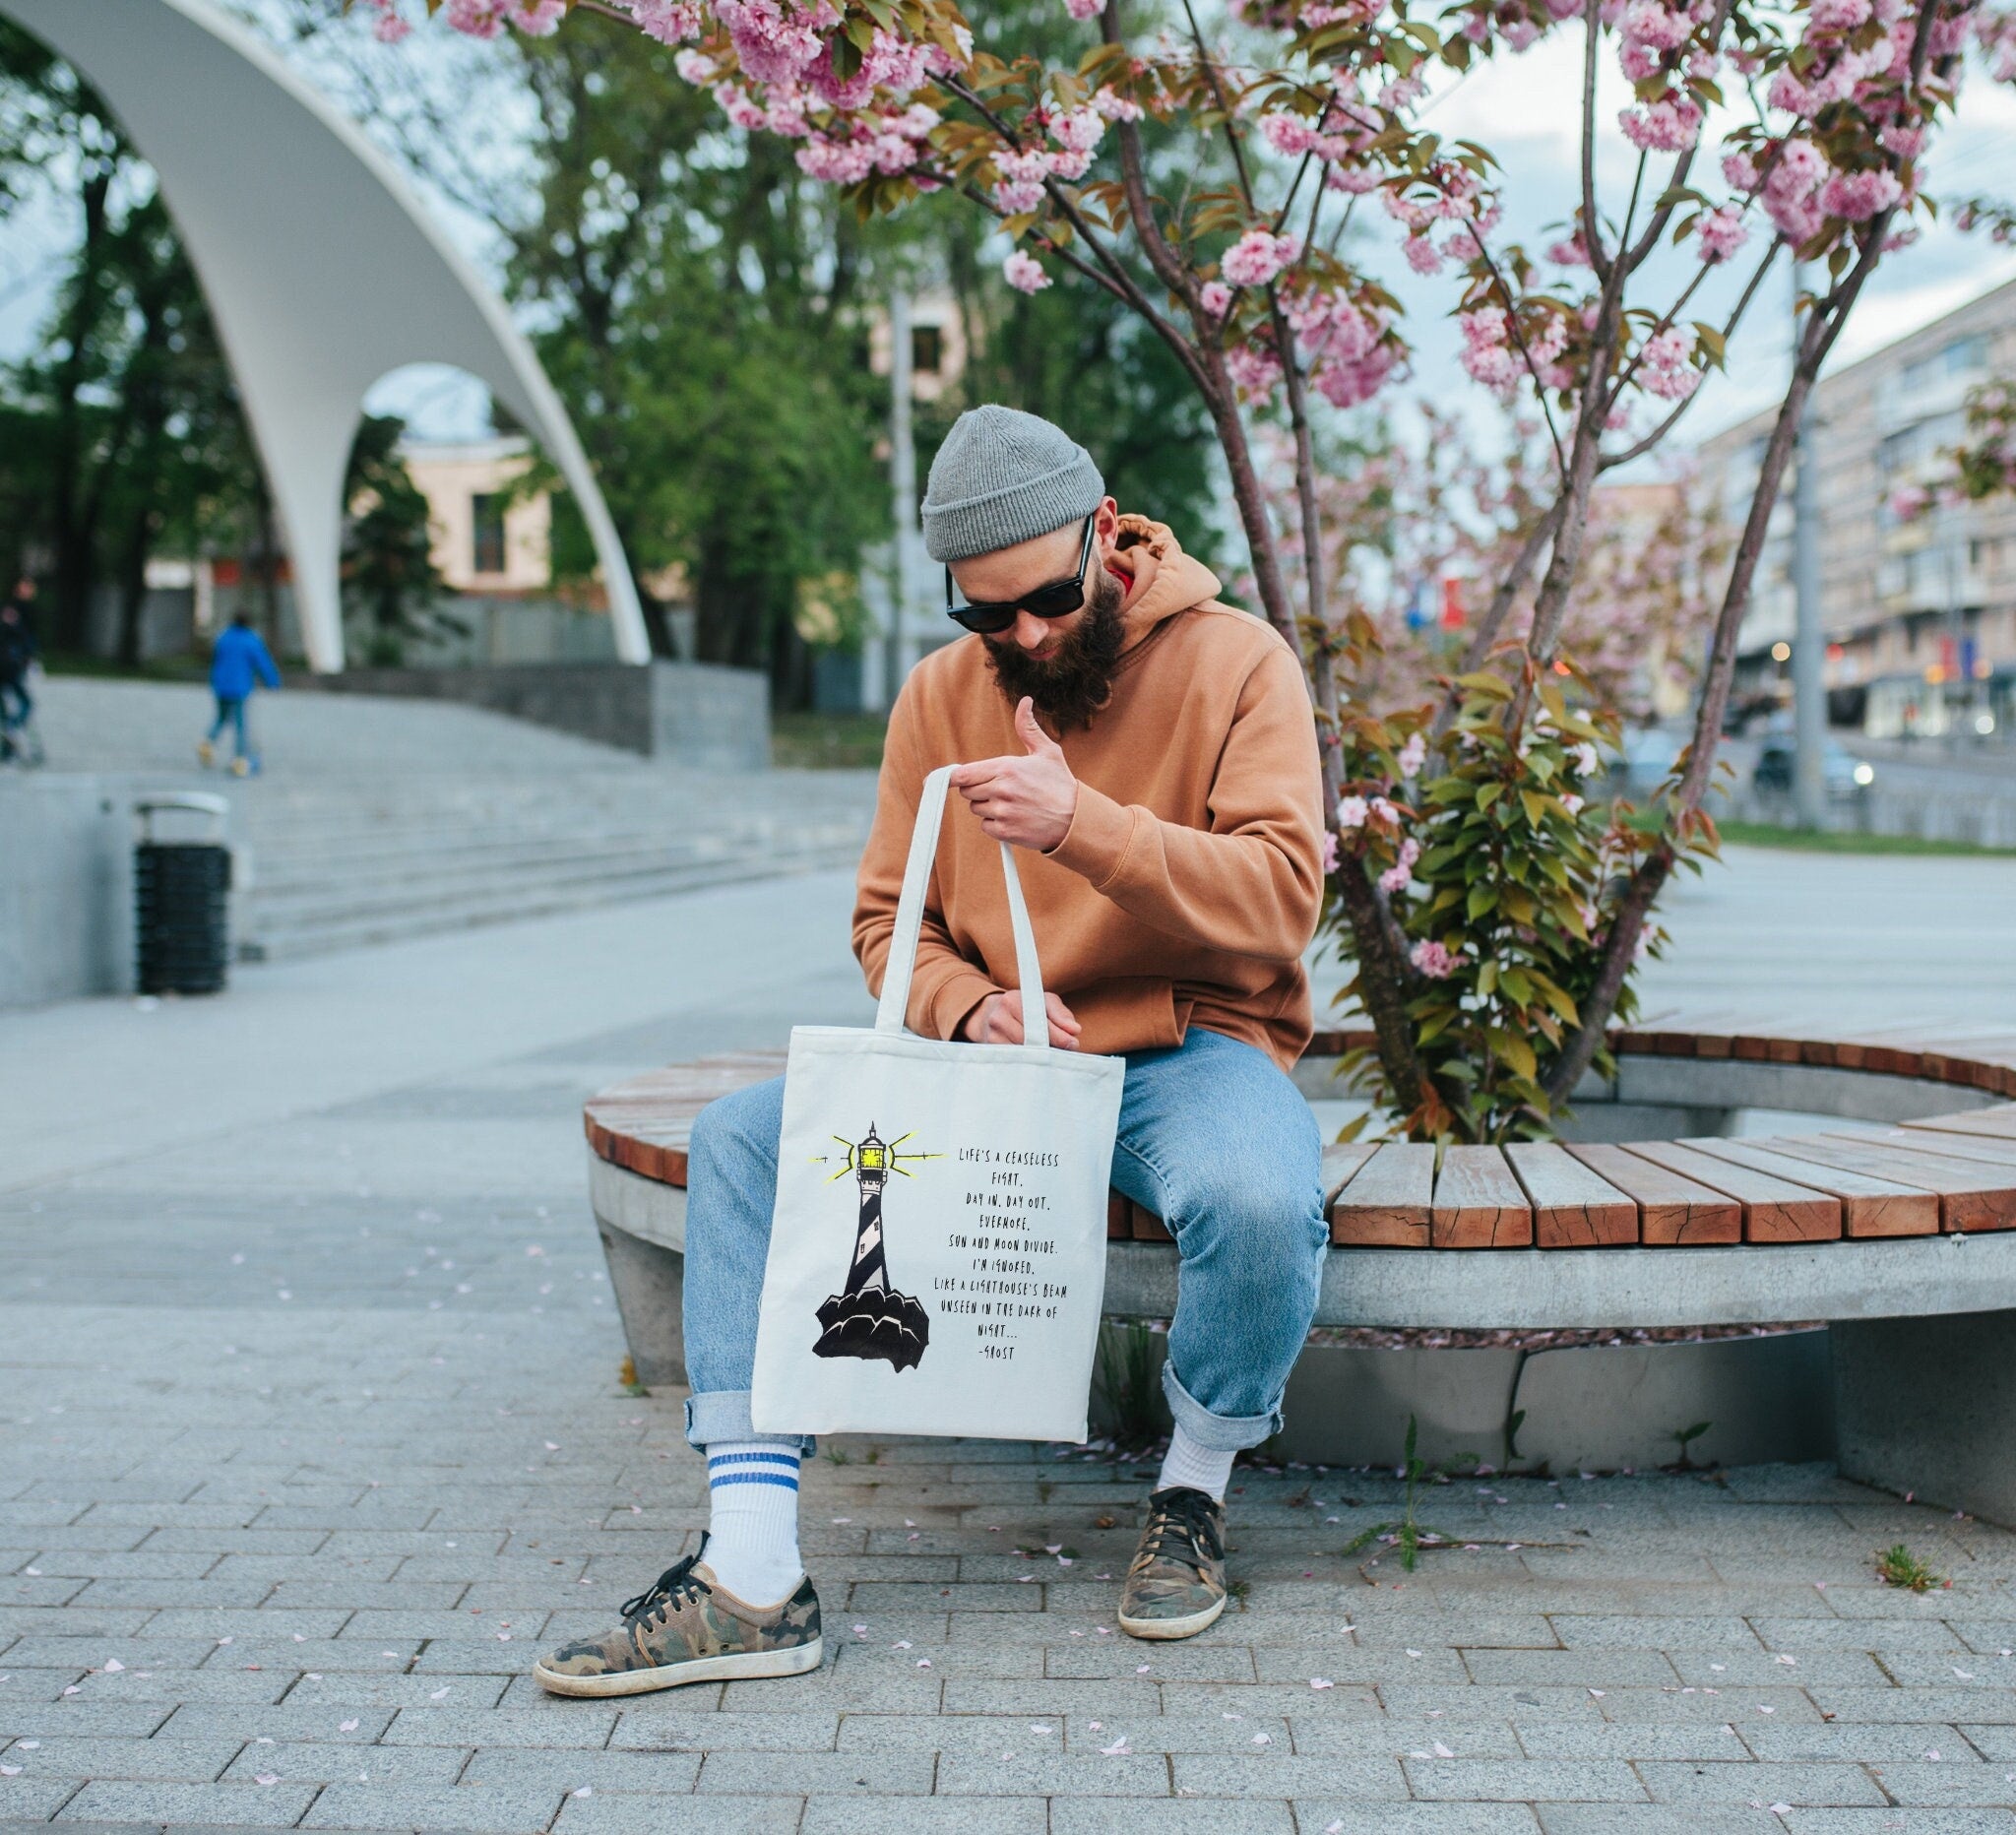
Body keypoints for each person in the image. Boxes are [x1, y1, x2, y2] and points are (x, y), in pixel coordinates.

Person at [535, 406, 1326, 1699]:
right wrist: (973, 1008)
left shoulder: (1241, 663)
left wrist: (1087, 826)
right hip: (1000, 1057)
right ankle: (748, 1573)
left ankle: (1194, 1487)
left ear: (1106, 531)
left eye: (1046, 600)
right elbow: (882, 920)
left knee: (1255, 1197)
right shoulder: (941, 698)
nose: (1020, 637)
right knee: (739, 1141)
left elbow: (1281, 899)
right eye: (984, 616)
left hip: (1189, 1044)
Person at [200, 611, 281, 775]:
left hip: (220, 685)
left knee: (221, 718)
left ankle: (208, 742)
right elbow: (262, 662)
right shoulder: (251, 640)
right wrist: (272, 681)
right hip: (239, 687)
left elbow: (215, 659)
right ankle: (239, 759)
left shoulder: (223, 637)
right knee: (240, 725)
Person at [0, 581, 37, 763]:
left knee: (7, 707)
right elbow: (23, 638)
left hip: (11, 664)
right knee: (24, 703)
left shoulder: (18, 610)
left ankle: (7, 747)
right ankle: (12, 730)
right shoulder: (15, 610)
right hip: (9, 665)